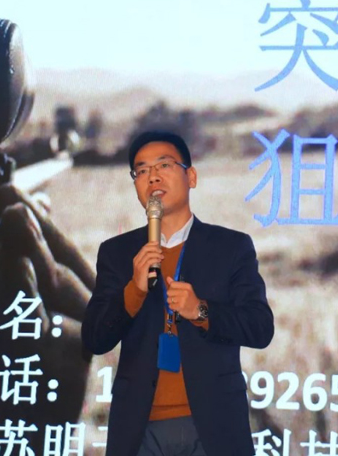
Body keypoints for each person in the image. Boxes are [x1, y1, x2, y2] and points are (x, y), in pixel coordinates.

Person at [82, 130, 274, 456]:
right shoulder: (117, 253)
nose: (153, 176)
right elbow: (94, 338)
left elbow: (260, 327)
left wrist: (201, 310)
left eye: (164, 165)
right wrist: (134, 291)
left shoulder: (230, 247)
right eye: (141, 170)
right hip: (139, 427)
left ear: (191, 177)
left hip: (213, 425)